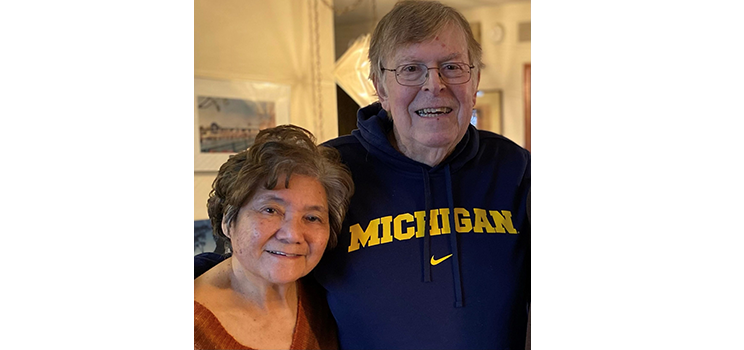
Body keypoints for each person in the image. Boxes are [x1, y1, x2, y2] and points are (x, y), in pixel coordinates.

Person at [311, 1, 531, 349]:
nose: (435, 84)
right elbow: (254, 257)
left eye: (452, 66)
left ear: (475, 82)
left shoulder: (517, 169)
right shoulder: (326, 170)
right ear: (381, 88)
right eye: (411, 69)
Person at [194, 125, 354, 349]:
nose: (292, 235)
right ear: (228, 220)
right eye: (270, 210)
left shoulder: (329, 303)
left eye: (312, 217)